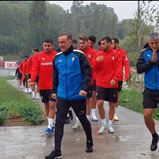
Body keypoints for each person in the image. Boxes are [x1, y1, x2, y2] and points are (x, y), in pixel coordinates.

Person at [45, 33, 93, 159]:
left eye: (63, 42)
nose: (61, 45)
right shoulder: (57, 58)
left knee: (83, 120)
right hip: (62, 97)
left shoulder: (79, 55)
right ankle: (57, 150)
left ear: (70, 42)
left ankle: (89, 141)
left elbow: (88, 73)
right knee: (59, 122)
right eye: (59, 42)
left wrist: (85, 88)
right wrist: (54, 91)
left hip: (77, 95)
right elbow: (55, 77)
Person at [91, 36, 122, 134]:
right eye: (101, 44)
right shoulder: (98, 54)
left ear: (109, 43)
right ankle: (103, 123)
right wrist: (97, 61)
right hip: (100, 83)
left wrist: (115, 78)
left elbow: (118, 68)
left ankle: (110, 124)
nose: (102, 46)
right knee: (99, 103)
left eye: (104, 44)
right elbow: (92, 68)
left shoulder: (116, 54)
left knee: (111, 104)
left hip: (112, 84)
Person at [29, 38, 57, 136]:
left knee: (52, 105)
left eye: (49, 45)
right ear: (43, 45)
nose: (47, 47)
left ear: (52, 45)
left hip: (53, 85)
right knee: (46, 105)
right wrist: (32, 80)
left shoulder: (57, 55)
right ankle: (51, 123)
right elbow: (35, 69)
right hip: (43, 85)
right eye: (45, 46)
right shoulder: (38, 56)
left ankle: (49, 126)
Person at [136, 32, 159, 151]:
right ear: (148, 42)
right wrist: (150, 62)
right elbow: (139, 69)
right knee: (146, 115)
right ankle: (154, 136)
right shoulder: (145, 53)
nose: (154, 46)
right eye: (152, 43)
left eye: (156, 43)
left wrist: (156, 61)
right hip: (150, 89)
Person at [111, 38, 130, 121]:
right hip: (109, 77)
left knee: (117, 94)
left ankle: (115, 113)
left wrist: (127, 75)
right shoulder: (108, 52)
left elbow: (126, 64)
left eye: (112, 43)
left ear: (117, 44)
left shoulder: (123, 53)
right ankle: (110, 111)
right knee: (110, 95)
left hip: (119, 78)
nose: (111, 45)